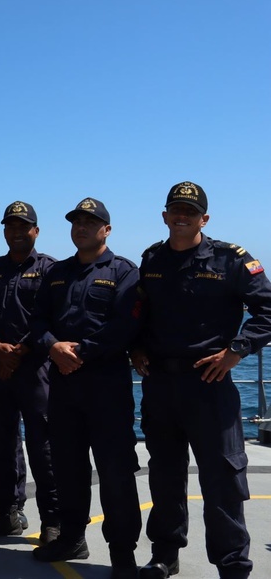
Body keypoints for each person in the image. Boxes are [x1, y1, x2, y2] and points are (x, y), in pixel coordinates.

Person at [133, 182, 271, 579]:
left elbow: (267, 310)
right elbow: (141, 313)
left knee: (223, 480)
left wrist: (237, 351)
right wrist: (137, 348)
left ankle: (232, 566)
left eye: (190, 212)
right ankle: (165, 555)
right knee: (165, 476)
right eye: (175, 209)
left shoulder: (230, 259)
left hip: (210, 383)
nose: (182, 216)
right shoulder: (152, 260)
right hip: (160, 385)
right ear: (164, 215)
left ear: (203, 219)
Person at [28, 199, 142, 577]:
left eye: (91, 223)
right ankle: (72, 536)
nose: (82, 228)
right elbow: (39, 320)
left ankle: (122, 553)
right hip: (63, 384)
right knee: (68, 468)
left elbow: (125, 325)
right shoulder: (57, 273)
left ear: (106, 229)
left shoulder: (124, 272)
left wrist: (79, 352)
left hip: (106, 385)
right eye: (77, 222)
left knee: (115, 474)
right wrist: (52, 346)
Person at [0, 201, 59, 542]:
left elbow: (52, 318)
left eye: (24, 226)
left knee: (43, 447)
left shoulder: (51, 269)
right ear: (4, 231)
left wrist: (21, 350)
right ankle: (7, 513)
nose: (17, 232)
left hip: (35, 370)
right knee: (0, 445)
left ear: (36, 230)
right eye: (11, 226)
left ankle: (53, 519)